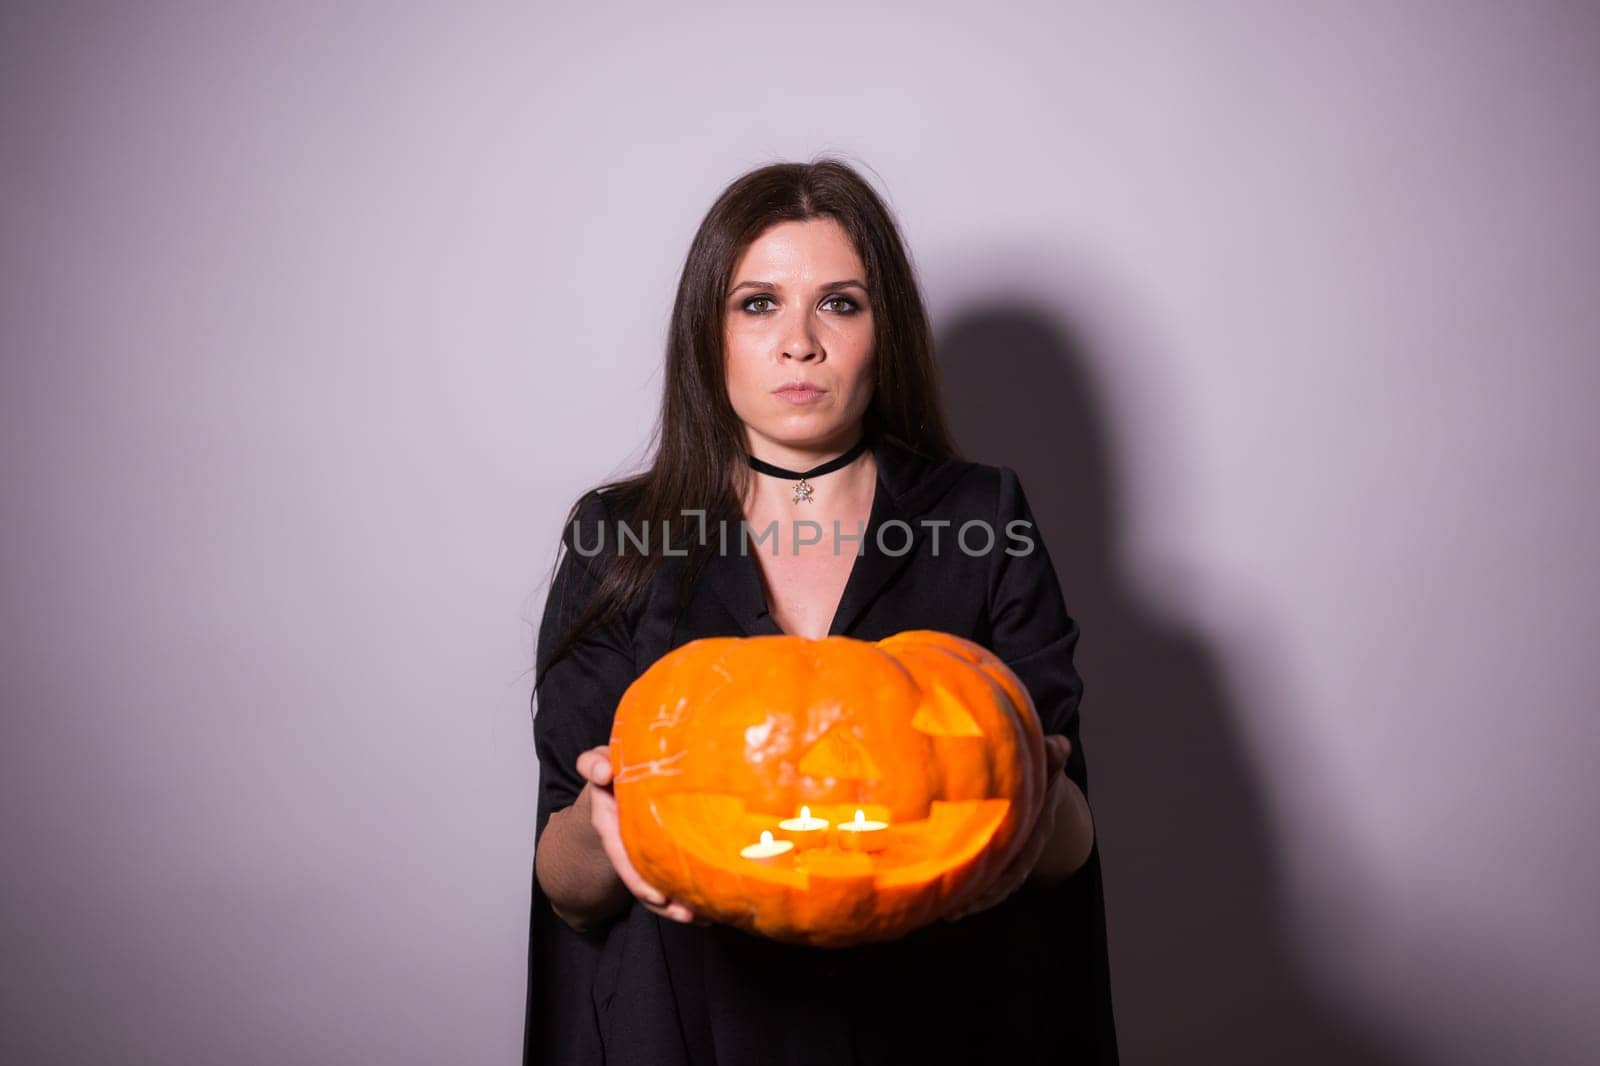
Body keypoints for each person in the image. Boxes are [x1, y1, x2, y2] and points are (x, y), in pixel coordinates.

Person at [523, 158, 1119, 1066]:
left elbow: (1070, 845)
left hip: (938, 1029)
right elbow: (566, 886)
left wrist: (1031, 791)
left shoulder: (982, 517)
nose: (799, 342)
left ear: (886, 332)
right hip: (685, 1030)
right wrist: (610, 817)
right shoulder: (621, 535)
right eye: (758, 304)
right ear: (707, 333)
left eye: (839, 303)